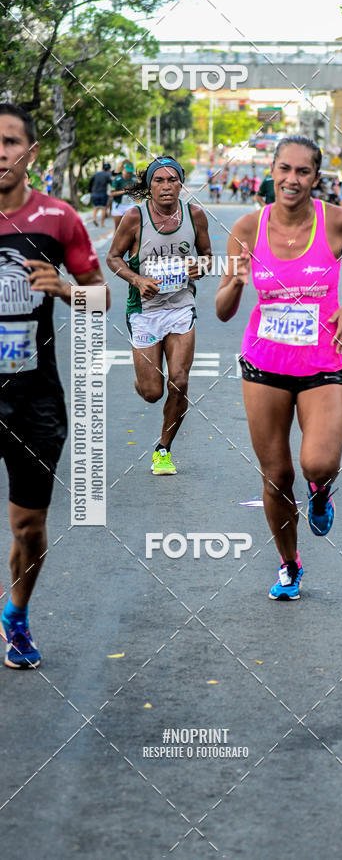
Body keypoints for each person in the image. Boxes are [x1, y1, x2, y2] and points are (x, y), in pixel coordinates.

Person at [215, 135, 342, 601]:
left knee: (319, 462)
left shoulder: (337, 222)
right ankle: (289, 566)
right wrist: (234, 284)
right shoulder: (247, 228)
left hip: (321, 362)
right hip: (264, 363)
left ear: (316, 178)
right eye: (284, 169)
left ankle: (320, 492)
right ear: (271, 171)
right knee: (276, 476)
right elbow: (223, 310)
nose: (292, 180)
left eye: (303, 172)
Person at [0, 103, 109, 669]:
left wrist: (66, 289)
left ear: (31, 153)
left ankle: (16, 613)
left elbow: (102, 297)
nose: (0, 151)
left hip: (33, 398)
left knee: (29, 526)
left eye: (10, 141)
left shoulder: (58, 218)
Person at [106, 156, 213, 475]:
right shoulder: (134, 218)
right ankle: (143, 381)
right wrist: (137, 280)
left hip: (180, 308)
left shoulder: (195, 216)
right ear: (149, 186)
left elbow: (207, 257)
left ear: (181, 183)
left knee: (179, 381)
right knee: (153, 392)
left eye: (172, 180)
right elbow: (113, 257)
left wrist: (201, 267)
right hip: (145, 311)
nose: (166, 186)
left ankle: (163, 449)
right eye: (159, 181)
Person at [109, 160, 135, 230]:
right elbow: (111, 194)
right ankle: (115, 240)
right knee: (117, 228)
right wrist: (124, 191)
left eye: (130, 172)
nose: (129, 174)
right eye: (128, 172)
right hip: (119, 205)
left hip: (130, 205)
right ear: (123, 170)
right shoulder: (118, 179)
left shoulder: (134, 178)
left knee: (131, 228)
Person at [89, 161, 112, 227]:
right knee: (103, 208)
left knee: (95, 207)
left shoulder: (96, 174)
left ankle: (94, 218)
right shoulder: (108, 175)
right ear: (109, 169)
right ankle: (102, 223)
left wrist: (90, 190)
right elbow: (111, 183)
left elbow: (90, 182)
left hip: (94, 193)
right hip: (103, 193)